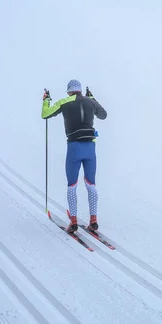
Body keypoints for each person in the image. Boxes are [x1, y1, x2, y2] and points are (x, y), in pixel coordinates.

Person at [41, 79, 108, 233]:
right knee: (91, 184)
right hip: (90, 148)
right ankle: (93, 220)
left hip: (74, 147)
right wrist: (92, 98)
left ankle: (73, 222)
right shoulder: (90, 102)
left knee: (72, 185)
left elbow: (45, 114)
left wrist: (46, 100)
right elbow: (103, 115)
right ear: (80, 90)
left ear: (69, 91)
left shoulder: (65, 102)